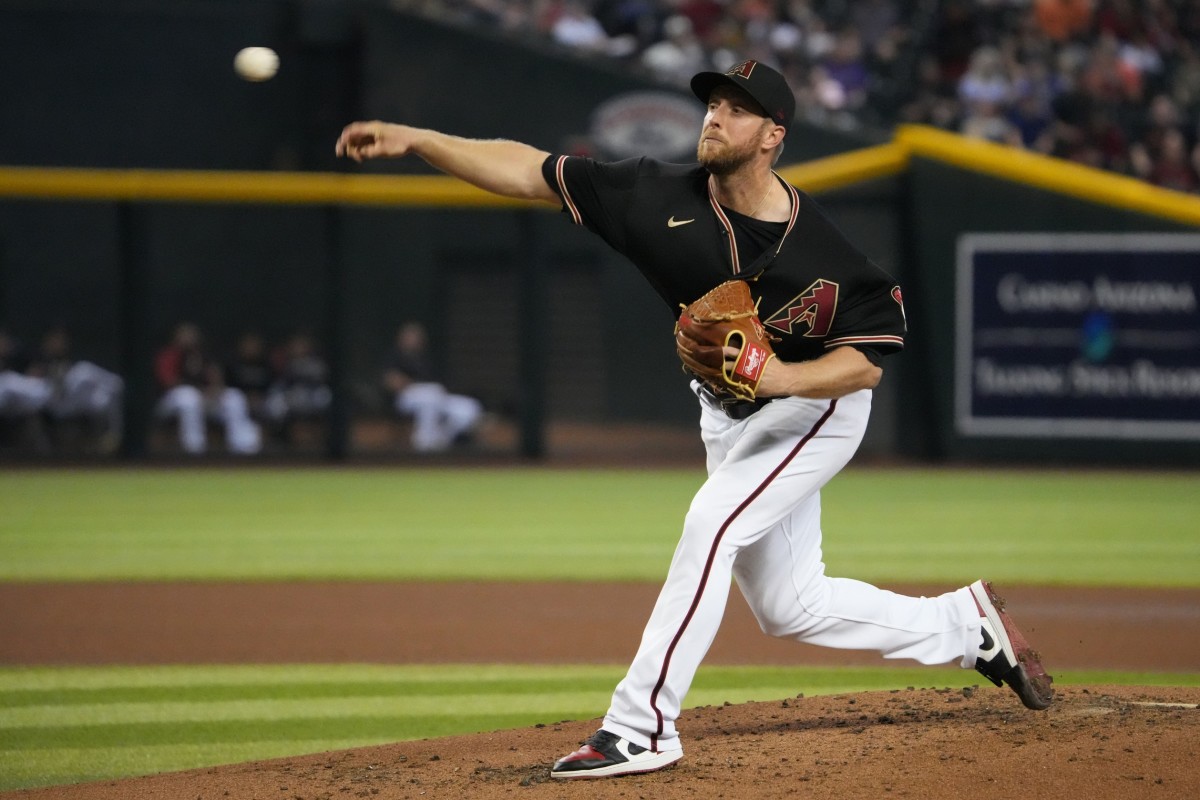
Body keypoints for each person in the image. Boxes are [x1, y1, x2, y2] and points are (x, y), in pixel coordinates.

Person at [335, 58, 1054, 780]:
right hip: (729, 416)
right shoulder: (651, 194)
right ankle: (963, 625)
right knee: (789, 606)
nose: (715, 115)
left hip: (813, 409)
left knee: (712, 524)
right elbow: (529, 170)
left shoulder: (824, 253)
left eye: (737, 109)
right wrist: (418, 137)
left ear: (773, 135)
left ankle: (641, 725)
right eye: (712, 102)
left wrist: (783, 376)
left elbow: (865, 363)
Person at [153, 322, 261, 455]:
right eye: (185, 334)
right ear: (176, 337)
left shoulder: (203, 355)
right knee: (188, 397)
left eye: (191, 334)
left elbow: (215, 378)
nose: (188, 338)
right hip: (171, 401)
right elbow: (169, 383)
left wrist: (215, 391)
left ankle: (243, 447)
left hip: (203, 398)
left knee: (234, 396)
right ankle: (194, 449)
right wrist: (200, 391)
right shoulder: (169, 355)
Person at [381, 321, 483, 453]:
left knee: (469, 407)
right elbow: (391, 381)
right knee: (429, 398)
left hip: (435, 395)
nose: (414, 340)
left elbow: (439, 383)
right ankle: (423, 443)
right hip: (406, 398)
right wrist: (412, 385)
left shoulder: (426, 358)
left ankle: (442, 439)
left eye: (417, 337)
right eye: (410, 337)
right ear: (402, 338)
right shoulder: (394, 356)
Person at [33, 326, 124, 452]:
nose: (58, 343)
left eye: (60, 340)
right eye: (55, 340)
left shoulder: (72, 360)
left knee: (90, 377)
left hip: (73, 402)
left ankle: (113, 435)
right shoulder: (38, 357)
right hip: (48, 400)